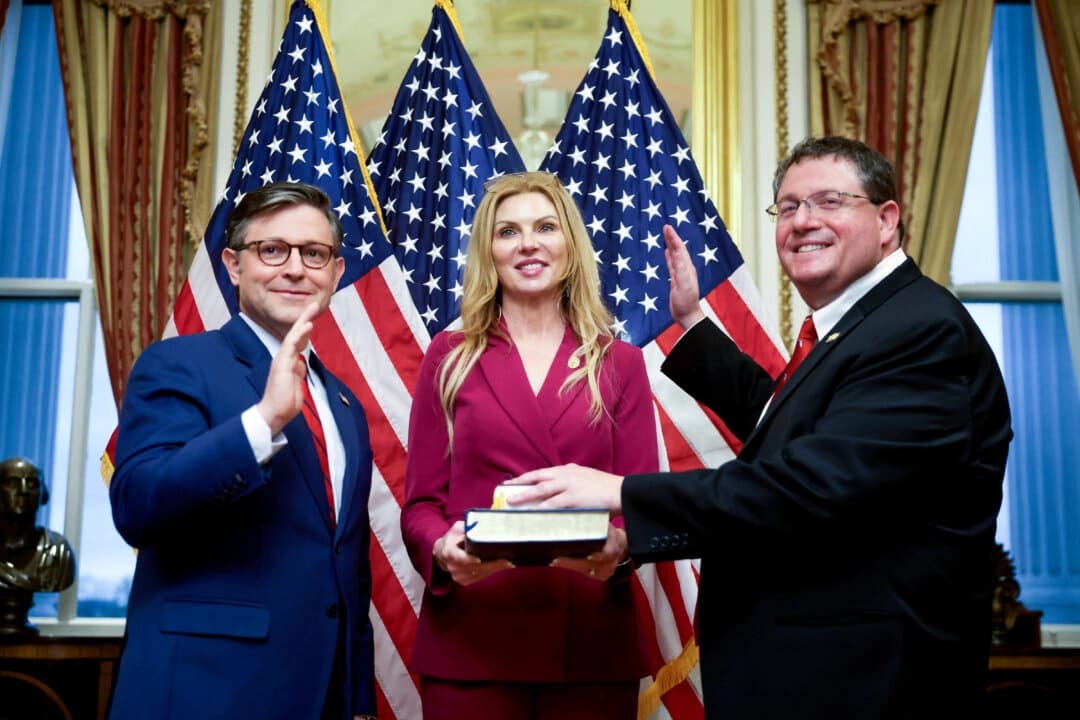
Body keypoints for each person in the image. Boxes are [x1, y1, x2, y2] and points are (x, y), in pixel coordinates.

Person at [510, 136, 1013, 716]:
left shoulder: (920, 331)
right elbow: (792, 423)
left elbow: (809, 486)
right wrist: (692, 321)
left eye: (828, 201)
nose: (803, 222)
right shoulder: (870, 324)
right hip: (818, 674)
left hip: (864, 685)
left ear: (886, 220)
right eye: (789, 207)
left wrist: (620, 490)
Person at [108, 183, 376, 720]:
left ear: (336, 273)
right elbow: (138, 505)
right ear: (233, 266)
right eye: (272, 250)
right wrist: (263, 421)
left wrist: (357, 698)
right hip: (205, 690)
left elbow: (343, 567)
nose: (295, 269)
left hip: (323, 694)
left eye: (314, 253)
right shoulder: (178, 363)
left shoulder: (346, 404)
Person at [400, 171, 658, 719]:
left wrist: (621, 548)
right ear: (488, 250)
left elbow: (643, 499)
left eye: (544, 227)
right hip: (472, 638)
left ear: (570, 242)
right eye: (508, 231)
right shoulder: (448, 356)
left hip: (590, 638)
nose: (528, 244)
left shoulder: (621, 363)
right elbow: (421, 504)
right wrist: (442, 552)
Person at [0, 457, 74, 593]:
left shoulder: (59, 552)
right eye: (12, 482)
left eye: (32, 484)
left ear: (43, 494)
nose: (23, 490)